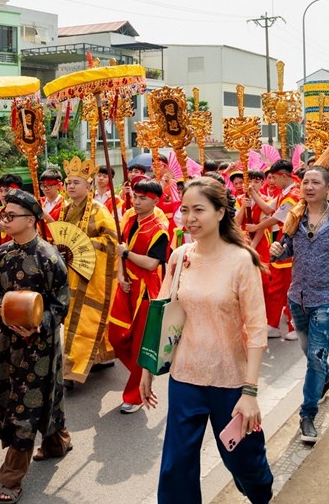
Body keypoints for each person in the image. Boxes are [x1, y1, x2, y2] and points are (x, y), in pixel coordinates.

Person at [140, 177, 273, 503]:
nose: (190, 218)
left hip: (231, 381)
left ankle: (262, 494)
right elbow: (162, 312)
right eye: (185, 210)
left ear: (220, 212)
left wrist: (250, 392)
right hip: (186, 376)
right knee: (176, 467)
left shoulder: (242, 261)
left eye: (199, 210)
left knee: (244, 462)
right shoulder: (180, 256)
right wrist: (147, 368)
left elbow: (257, 330)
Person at [271, 166, 329, 443]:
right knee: (310, 352)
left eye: (315, 182)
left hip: (327, 299)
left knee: (314, 356)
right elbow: (285, 250)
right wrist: (277, 252)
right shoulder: (295, 218)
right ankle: (325, 379)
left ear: (328, 188)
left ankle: (307, 415)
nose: (308, 187)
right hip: (297, 298)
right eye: (305, 182)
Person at [0, 190, 72, 503]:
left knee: (26, 402)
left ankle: (11, 479)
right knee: (23, 395)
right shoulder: (3, 253)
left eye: (11, 216)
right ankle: (56, 441)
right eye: (4, 215)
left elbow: (60, 304)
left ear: (31, 220)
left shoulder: (50, 258)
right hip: (9, 339)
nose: (4, 220)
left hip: (40, 344)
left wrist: (38, 324)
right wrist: (2, 310)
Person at [109, 179, 169, 414]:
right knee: (115, 336)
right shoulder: (129, 218)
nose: (137, 201)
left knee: (138, 345)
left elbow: (152, 263)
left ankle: (134, 396)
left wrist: (127, 253)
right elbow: (120, 252)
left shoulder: (159, 229)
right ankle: (144, 371)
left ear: (155, 201)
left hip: (146, 291)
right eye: (135, 196)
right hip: (126, 286)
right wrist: (120, 274)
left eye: (143, 198)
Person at [58, 156, 118, 385]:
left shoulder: (99, 210)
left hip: (91, 273)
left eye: (76, 182)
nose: (71, 186)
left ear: (88, 185)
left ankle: (72, 368)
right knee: (73, 318)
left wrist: (85, 246)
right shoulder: (65, 210)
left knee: (83, 320)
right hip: (70, 272)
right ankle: (100, 356)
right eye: (68, 182)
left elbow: (111, 243)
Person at [259, 159, 299, 337]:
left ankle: (295, 326)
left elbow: (276, 218)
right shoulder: (283, 193)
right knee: (276, 286)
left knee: (292, 287)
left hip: (292, 246)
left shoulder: (294, 195)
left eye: (274, 177)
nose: (272, 181)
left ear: (283, 176)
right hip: (279, 245)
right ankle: (273, 324)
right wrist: (252, 192)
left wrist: (256, 227)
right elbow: (268, 208)